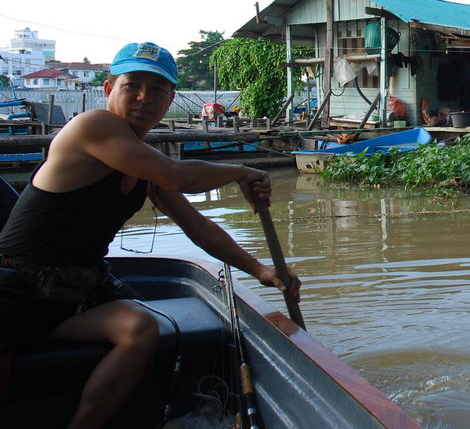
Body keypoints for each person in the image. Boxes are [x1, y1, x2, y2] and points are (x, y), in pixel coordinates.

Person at [0, 41, 301, 429]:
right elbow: (180, 176)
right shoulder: (93, 127)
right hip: (18, 292)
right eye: (133, 85)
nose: (145, 97)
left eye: (158, 89)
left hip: (76, 292)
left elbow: (198, 226)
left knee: (140, 328)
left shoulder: (141, 157)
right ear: (109, 89)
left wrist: (259, 269)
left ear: (171, 97)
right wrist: (242, 171)